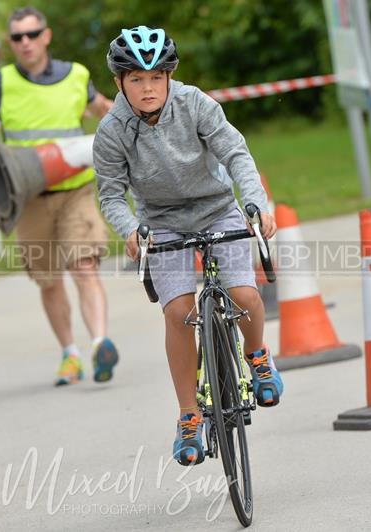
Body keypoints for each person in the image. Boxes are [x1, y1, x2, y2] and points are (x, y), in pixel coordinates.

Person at [93, 26, 284, 466]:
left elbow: (236, 153)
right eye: (136, 79)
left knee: (242, 292)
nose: (147, 88)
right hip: (160, 225)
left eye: (156, 77)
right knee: (179, 311)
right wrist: (130, 229)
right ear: (119, 83)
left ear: (169, 77)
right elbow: (109, 194)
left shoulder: (195, 103)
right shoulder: (111, 131)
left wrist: (255, 202)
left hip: (217, 209)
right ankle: (188, 417)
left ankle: (257, 357)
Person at [0, 6, 117, 387]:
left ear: (46, 36)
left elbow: (103, 110)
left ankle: (99, 344)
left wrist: (134, 118)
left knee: (84, 267)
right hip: (27, 197)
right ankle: (69, 355)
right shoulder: (2, 82)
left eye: (31, 34)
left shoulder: (77, 76)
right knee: (48, 279)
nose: (25, 43)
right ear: (12, 44)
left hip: (75, 189)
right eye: (17, 37)